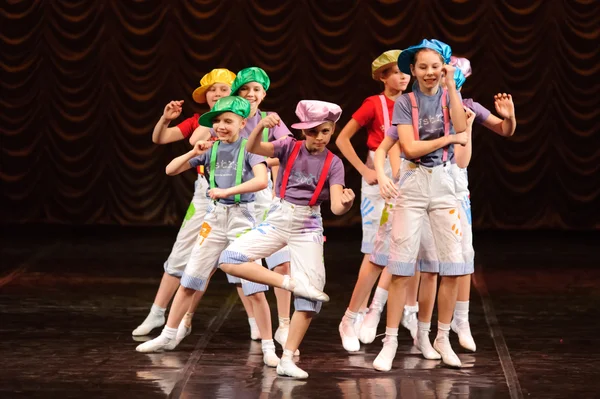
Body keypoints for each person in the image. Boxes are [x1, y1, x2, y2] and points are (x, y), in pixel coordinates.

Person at [219, 100, 355, 378]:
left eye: (325, 132)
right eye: (312, 131)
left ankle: (288, 358)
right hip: (279, 217)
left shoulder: (334, 163)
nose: (318, 138)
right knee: (229, 258)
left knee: (311, 296)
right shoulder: (288, 147)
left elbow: (337, 207)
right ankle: (289, 283)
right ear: (303, 131)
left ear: (332, 131)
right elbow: (254, 148)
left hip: (308, 224)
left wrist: (347, 204)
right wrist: (260, 129)